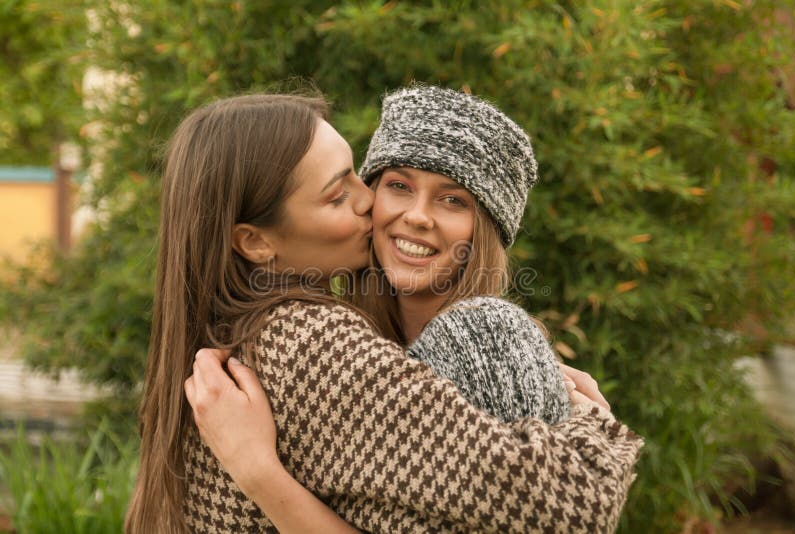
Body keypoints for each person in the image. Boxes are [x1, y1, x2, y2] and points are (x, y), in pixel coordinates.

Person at [126, 91, 642, 534]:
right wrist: (592, 418)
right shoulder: (314, 343)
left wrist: (261, 473)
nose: (372, 203)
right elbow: (573, 505)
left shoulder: (235, 337)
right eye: (393, 184)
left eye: (454, 200)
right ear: (255, 241)